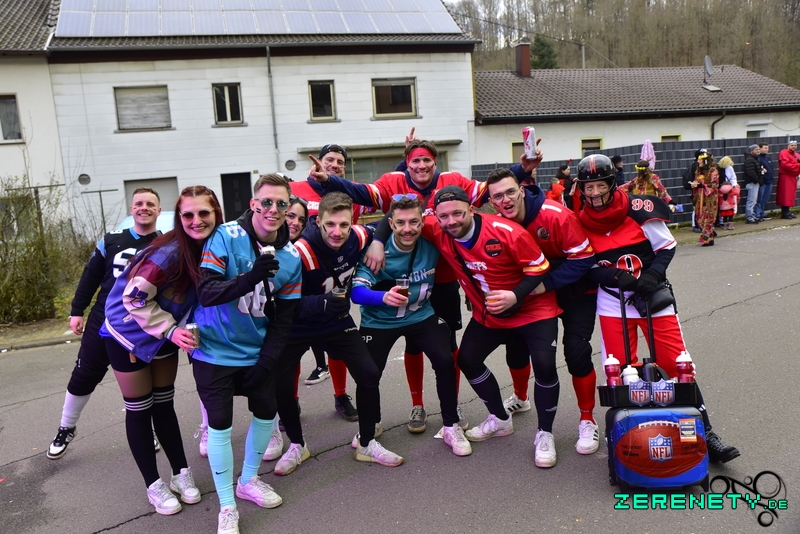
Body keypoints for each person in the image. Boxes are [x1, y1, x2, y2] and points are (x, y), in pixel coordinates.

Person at [308, 138, 542, 433]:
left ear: (435, 161)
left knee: (447, 347)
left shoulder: (452, 180)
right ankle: (417, 404)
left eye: (426, 160)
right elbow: (362, 193)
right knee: (412, 345)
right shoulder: (392, 181)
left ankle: (452, 405)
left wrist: (522, 170)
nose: (421, 166)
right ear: (407, 163)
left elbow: (488, 190)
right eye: (415, 160)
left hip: (441, 278)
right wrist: (333, 185)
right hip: (402, 274)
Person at [574, 154, 740, 465]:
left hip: (651, 297)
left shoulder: (638, 209)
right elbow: (581, 265)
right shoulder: (578, 220)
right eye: (589, 187)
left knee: (677, 364)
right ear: (580, 189)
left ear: (612, 184)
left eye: (600, 186)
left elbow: (666, 246)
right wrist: (610, 276)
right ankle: (631, 437)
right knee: (621, 369)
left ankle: (705, 432)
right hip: (612, 302)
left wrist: (652, 275)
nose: (594, 193)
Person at [191, 173, 302, 534]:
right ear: (253, 204)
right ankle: (227, 505)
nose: (273, 209)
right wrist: (251, 276)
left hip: (255, 352)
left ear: (288, 208)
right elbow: (207, 292)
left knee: (267, 415)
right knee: (220, 426)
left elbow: (285, 318)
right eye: (266, 202)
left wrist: (268, 359)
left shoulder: (291, 257)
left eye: (281, 203)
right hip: (215, 351)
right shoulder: (226, 235)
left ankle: (249, 480)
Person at [421, 185, 562, 468]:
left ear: (471, 209)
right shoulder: (436, 228)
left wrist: (515, 295)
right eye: (444, 216)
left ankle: (545, 434)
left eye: (458, 213)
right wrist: (377, 242)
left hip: (532, 309)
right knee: (467, 360)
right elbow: (397, 218)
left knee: (545, 365)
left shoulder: (506, 231)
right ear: (436, 217)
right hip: (491, 314)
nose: (451, 221)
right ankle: (499, 419)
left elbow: (539, 267)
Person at [101, 186, 222, 515]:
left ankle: (181, 472)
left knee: (164, 404)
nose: (196, 221)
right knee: (140, 408)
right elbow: (133, 298)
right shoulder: (168, 253)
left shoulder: (215, 244)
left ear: (216, 213)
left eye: (204, 213)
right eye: (188, 215)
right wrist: (170, 329)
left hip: (167, 330)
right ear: (178, 218)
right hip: (128, 331)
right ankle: (153, 483)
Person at [271, 192, 402, 475]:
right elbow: (280, 303)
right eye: (330, 224)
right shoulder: (299, 252)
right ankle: (297, 445)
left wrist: (378, 242)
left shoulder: (357, 236)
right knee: (281, 385)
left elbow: (389, 219)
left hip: (335, 321)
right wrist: (320, 303)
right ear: (318, 221)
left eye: (344, 224)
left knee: (368, 373)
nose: (337, 232)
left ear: (352, 221)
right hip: (298, 326)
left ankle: (366, 443)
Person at [484, 168, 599, 455]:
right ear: (491, 201)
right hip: (533, 294)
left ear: (522, 191)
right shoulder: (497, 222)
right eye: (498, 196)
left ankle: (587, 419)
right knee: (516, 346)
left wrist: (545, 284)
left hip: (574, 290)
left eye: (511, 192)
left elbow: (584, 258)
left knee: (576, 352)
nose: (506, 200)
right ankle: (521, 397)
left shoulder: (555, 215)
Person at [48, 188, 163, 460]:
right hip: (104, 318)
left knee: (141, 382)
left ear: (159, 210)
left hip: (139, 323)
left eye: (150, 204)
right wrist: (77, 311)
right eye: (139, 203)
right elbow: (90, 276)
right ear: (131, 209)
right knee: (84, 374)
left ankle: (144, 428)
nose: (144, 208)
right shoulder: (111, 240)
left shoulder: (165, 244)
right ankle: (66, 427)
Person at [351, 195, 470, 456]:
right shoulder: (376, 249)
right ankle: (370, 426)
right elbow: (356, 293)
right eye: (401, 223)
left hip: (420, 315)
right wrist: (382, 297)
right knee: (368, 374)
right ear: (390, 223)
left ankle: (450, 425)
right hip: (379, 321)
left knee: (445, 359)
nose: (408, 229)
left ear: (423, 222)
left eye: (414, 222)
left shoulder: (432, 243)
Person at [291, 144, 370, 419]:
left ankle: (340, 395)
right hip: (301, 267)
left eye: (340, 162)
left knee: (336, 346)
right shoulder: (296, 187)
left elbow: (385, 203)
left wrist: (374, 245)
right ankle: (291, 401)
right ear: (318, 163)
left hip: (335, 274)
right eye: (329, 160)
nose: (334, 165)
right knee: (292, 349)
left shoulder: (350, 192)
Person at [688, 150, 719, 246]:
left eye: (700, 160)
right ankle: (710, 234)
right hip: (699, 198)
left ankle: (707, 238)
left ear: (706, 161)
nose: (698, 161)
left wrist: (702, 186)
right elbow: (697, 182)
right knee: (700, 217)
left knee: (708, 217)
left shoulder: (713, 170)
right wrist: (694, 185)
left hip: (709, 199)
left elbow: (715, 184)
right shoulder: (698, 171)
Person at [777, 140, 800, 219]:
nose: (794, 147)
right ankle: (784, 213)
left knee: (790, 195)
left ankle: (787, 211)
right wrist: (798, 165)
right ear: (788, 145)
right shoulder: (784, 153)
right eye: (792, 145)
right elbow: (786, 165)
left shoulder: (796, 154)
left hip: (793, 176)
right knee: (785, 194)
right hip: (786, 176)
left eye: (795, 145)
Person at [682, 149, 704, 232]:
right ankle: (696, 225)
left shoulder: (701, 165)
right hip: (697, 190)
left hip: (700, 190)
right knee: (697, 207)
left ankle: (699, 225)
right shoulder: (696, 166)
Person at [742, 144, 764, 224]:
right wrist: (757, 180)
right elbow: (751, 172)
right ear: (751, 151)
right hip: (752, 182)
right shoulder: (750, 160)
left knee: (753, 201)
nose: (758, 151)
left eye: (758, 149)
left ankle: (752, 215)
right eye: (756, 149)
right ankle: (750, 217)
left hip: (754, 182)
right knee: (751, 201)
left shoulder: (755, 159)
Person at [756, 143, 774, 221]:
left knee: (765, 199)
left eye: (767, 148)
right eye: (765, 148)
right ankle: (757, 214)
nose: (767, 150)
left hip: (769, 181)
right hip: (762, 182)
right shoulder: (758, 159)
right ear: (760, 149)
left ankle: (762, 213)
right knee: (759, 199)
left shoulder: (768, 159)